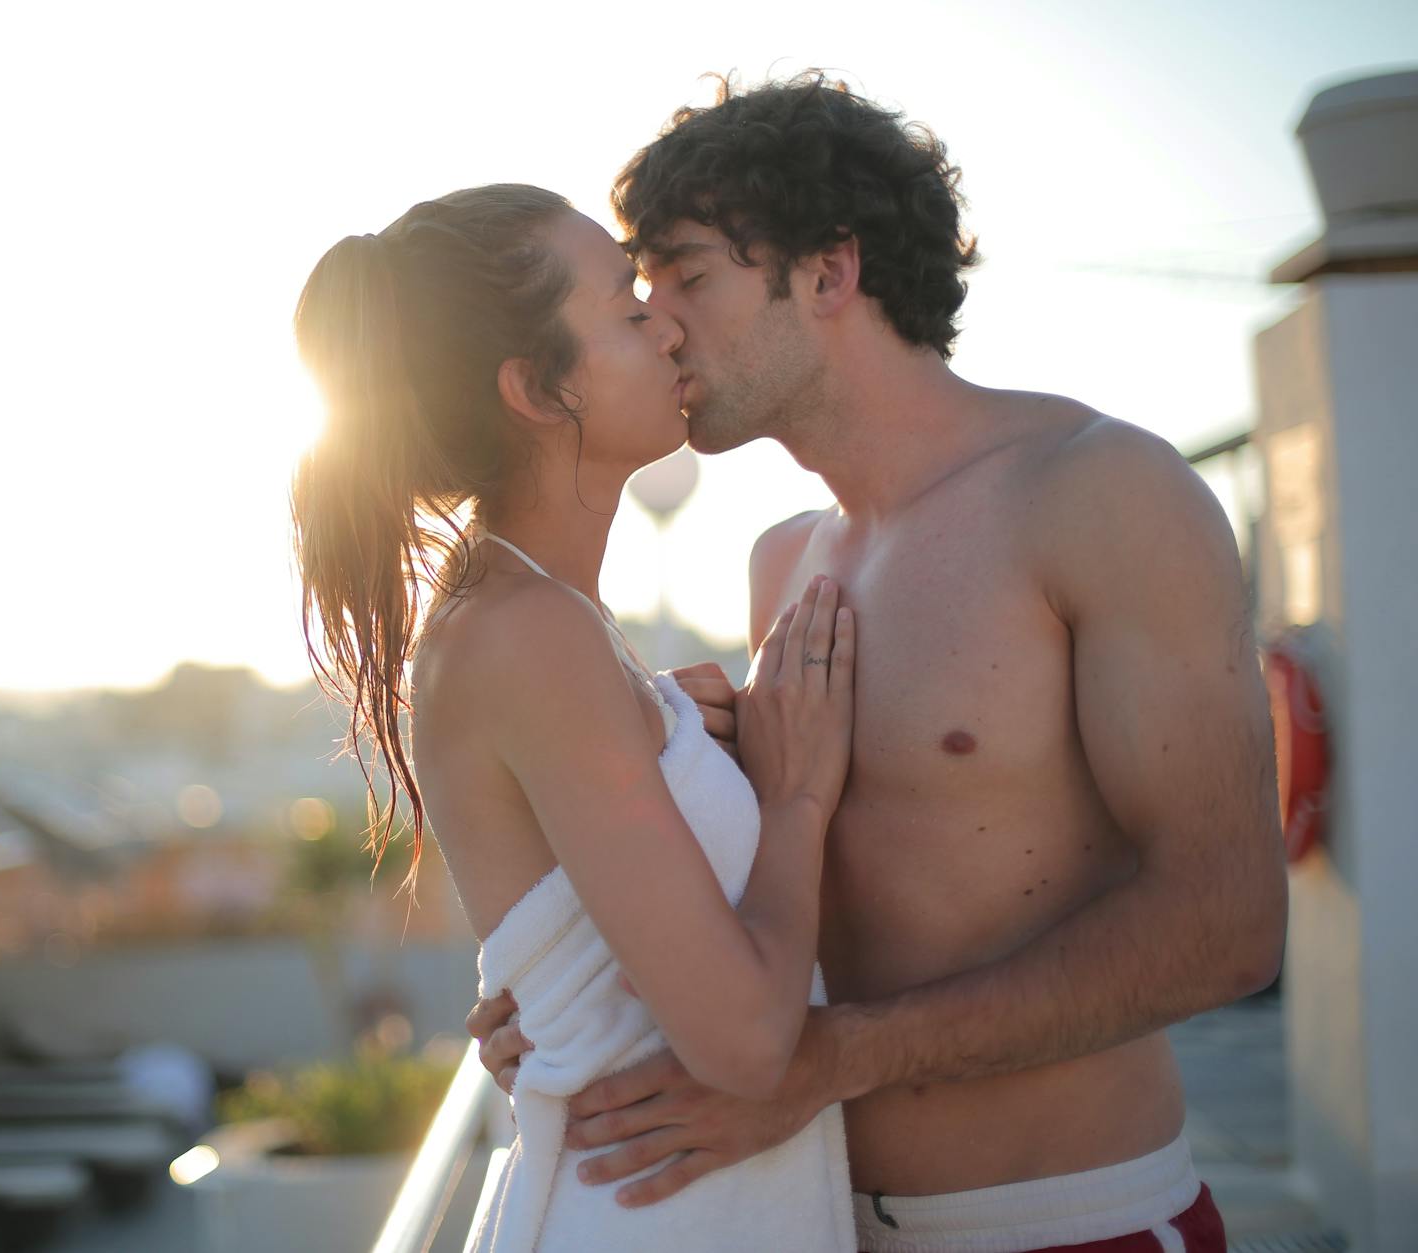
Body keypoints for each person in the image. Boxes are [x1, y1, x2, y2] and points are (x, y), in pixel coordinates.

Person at [467, 74, 1287, 1253]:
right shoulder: (779, 564)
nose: (659, 323)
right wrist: (561, 1005)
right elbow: (787, 914)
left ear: (829, 272)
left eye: (688, 275)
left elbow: (1224, 921)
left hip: (1066, 1224)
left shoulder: (1098, 491)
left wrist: (832, 1059)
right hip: (812, 1220)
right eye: (641, 291)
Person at [290, 184, 856, 1250]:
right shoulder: (526, 632)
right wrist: (797, 794)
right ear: (536, 389)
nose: (666, 326)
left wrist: (679, 741)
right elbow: (742, 1045)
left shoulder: (547, 620)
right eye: (624, 308)